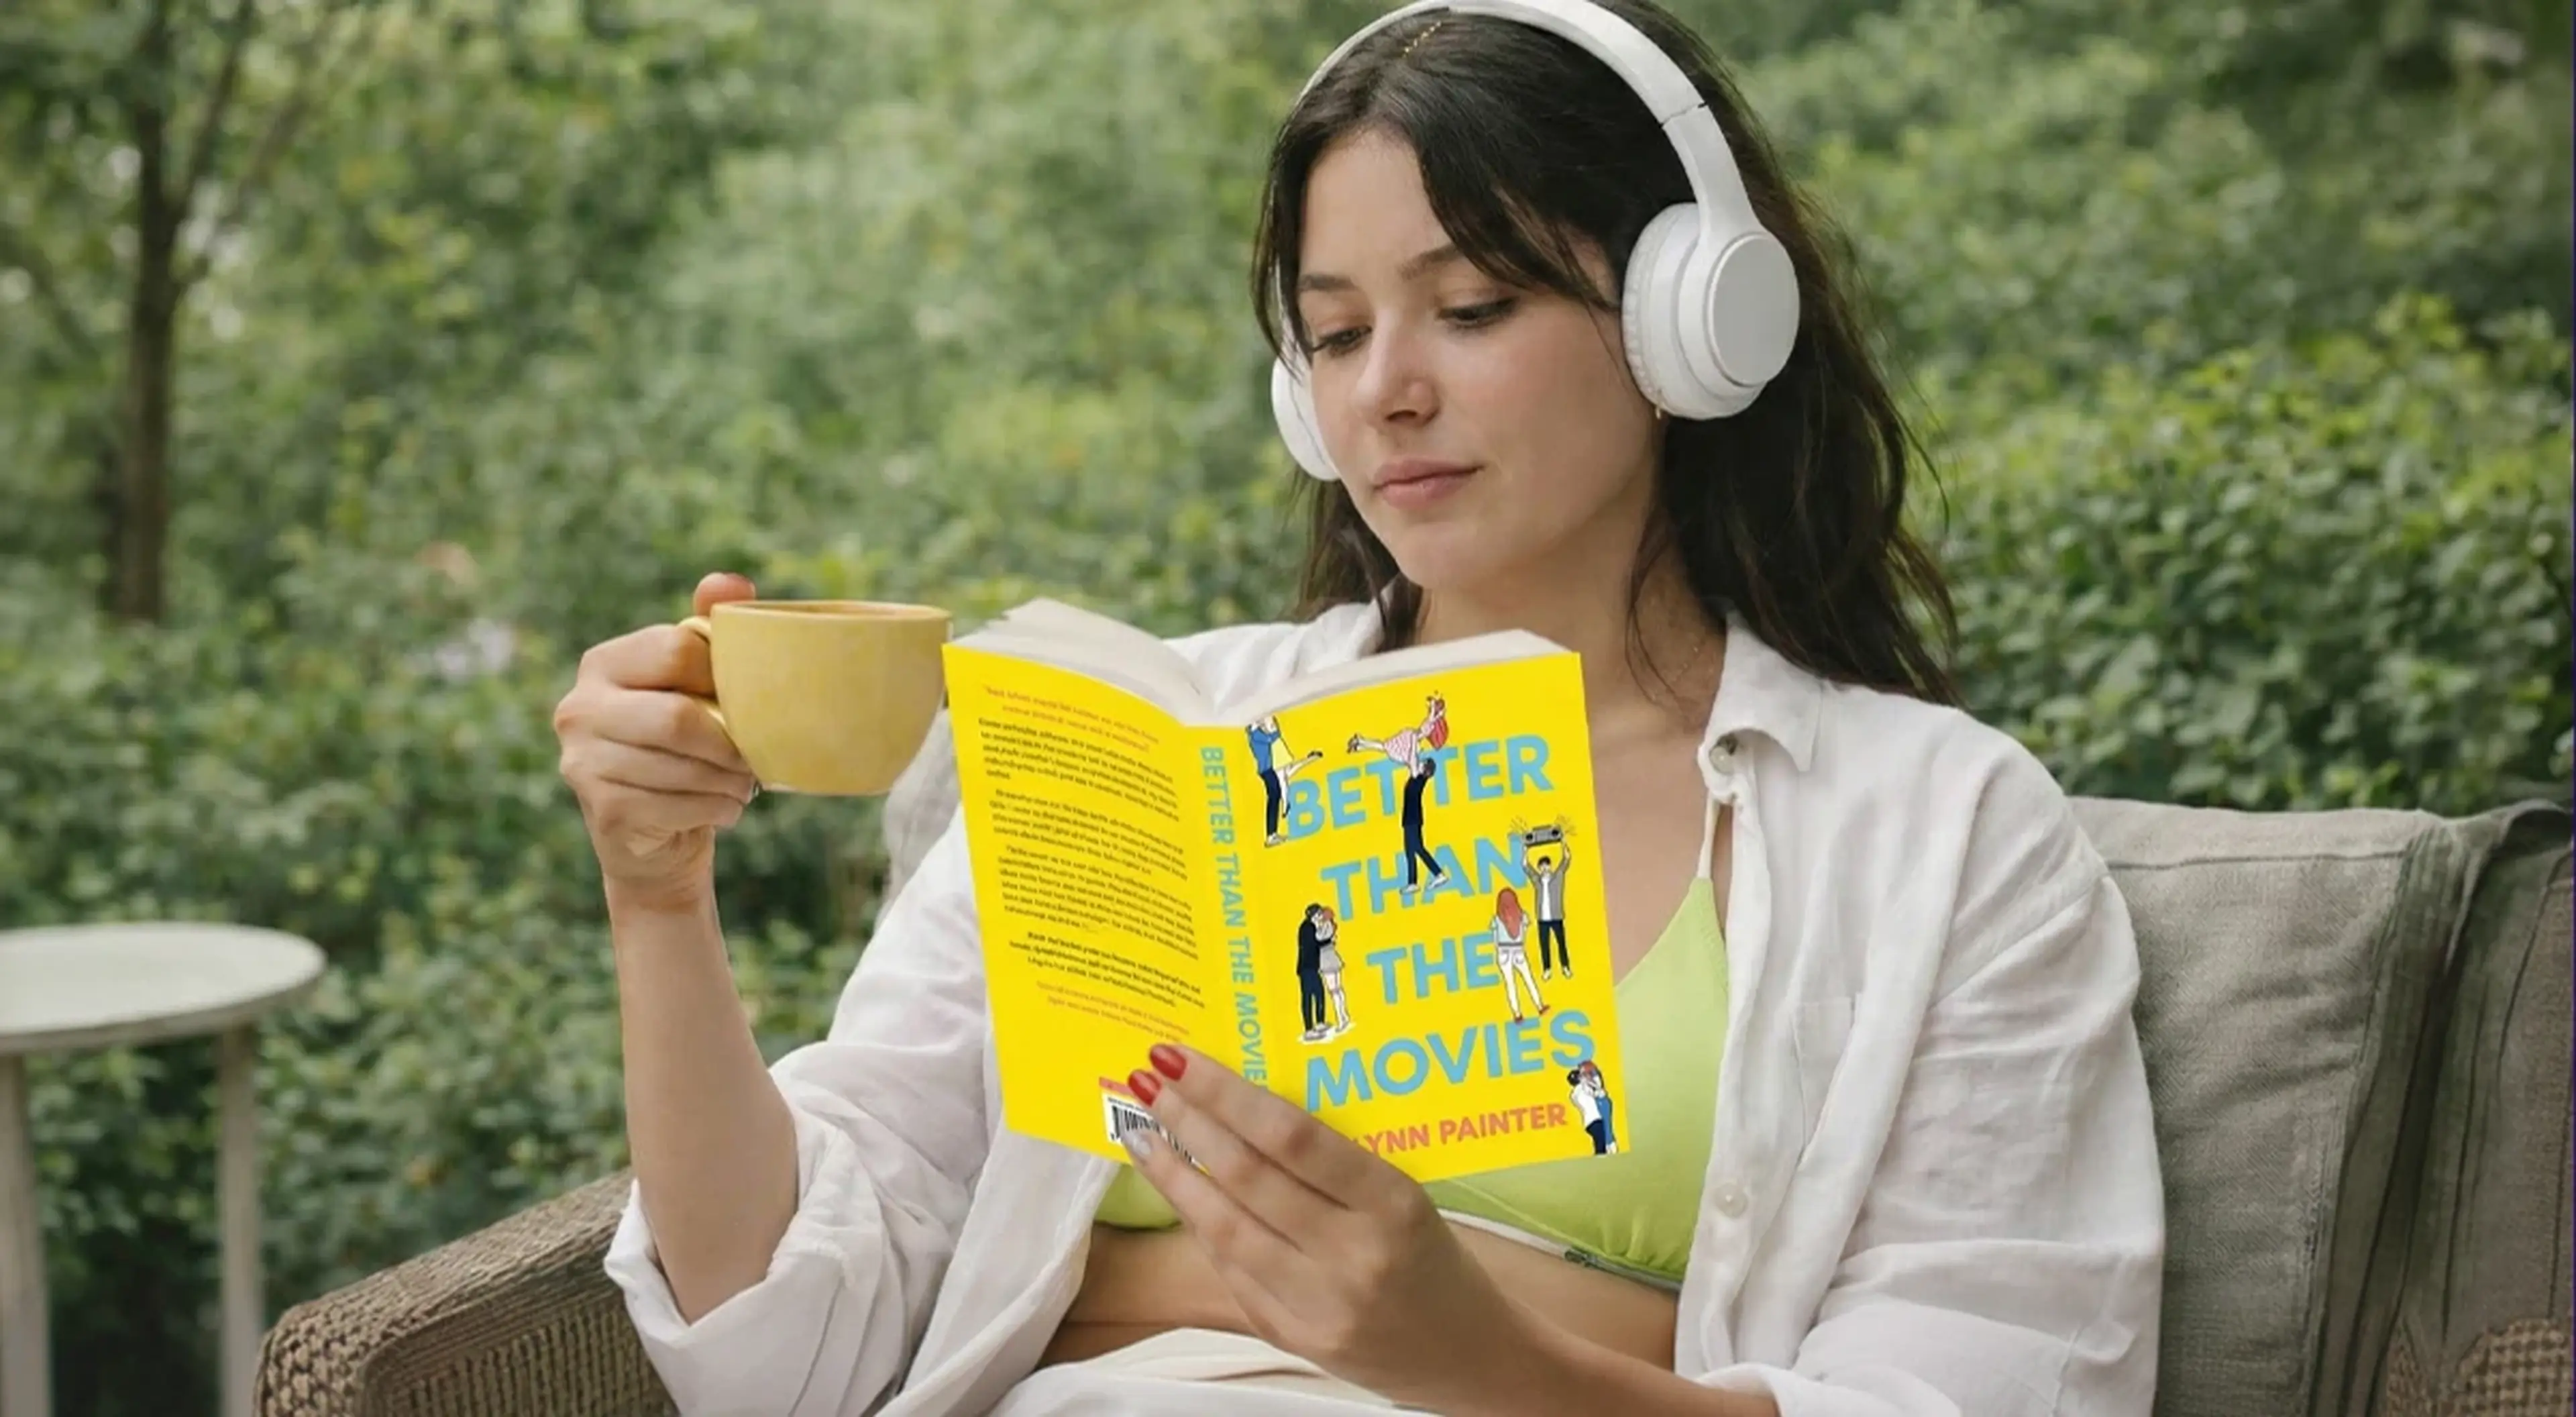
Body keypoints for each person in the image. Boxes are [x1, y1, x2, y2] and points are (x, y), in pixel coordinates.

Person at [550, 1, 2164, 1413]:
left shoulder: (1944, 831)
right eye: (1333, 333)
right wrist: (654, 894)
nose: (1387, 387)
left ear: (1697, 318)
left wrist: (1483, 1365)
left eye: (1471, 310)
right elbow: (782, 1349)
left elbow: (1988, 1381)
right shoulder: (1160, 742)